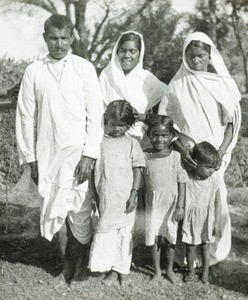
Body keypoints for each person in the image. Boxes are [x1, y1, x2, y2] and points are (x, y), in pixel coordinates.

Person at [16, 14, 104, 285]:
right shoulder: (34, 71)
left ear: (71, 39)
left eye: (64, 38)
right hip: (47, 153)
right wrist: (30, 158)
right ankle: (66, 263)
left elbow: (96, 114)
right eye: (53, 38)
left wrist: (89, 154)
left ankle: (77, 266)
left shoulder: (84, 68)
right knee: (56, 208)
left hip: (78, 154)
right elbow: (25, 115)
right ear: (45, 38)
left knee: (78, 209)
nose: (59, 44)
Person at [159, 31, 241, 265]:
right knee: (186, 204)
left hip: (213, 158)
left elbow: (231, 122)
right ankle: (185, 260)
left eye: (200, 55)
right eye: (191, 55)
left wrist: (221, 152)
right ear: (185, 55)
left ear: (209, 56)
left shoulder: (221, 84)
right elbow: (167, 124)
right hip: (188, 158)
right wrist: (182, 151)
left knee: (216, 202)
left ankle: (213, 258)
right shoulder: (176, 85)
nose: (195, 60)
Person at [89, 100, 145, 287]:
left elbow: (138, 169)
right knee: (108, 231)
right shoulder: (99, 142)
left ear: (129, 125)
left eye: (122, 125)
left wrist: (134, 193)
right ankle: (112, 269)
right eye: (113, 124)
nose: (117, 128)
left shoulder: (132, 144)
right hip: (106, 195)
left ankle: (123, 271)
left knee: (124, 233)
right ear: (106, 121)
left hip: (125, 198)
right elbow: (93, 171)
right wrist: (93, 195)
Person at [99, 31, 169, 149]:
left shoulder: (146, 79)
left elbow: (168, 101)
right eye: (123, 50)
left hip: (138, 143)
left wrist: (142, 117)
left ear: (140, 53)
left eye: (132, 51)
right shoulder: (106, 76)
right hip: (106, 141)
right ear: (117, 52)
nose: (126, 55)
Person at [143, 115, 188, 283]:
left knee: (170, 237)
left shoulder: (175, 156)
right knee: (153, 237)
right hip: (152, 204)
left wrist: (180, 206)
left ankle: (169, 270)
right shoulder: (145, 156)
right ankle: (157, 271)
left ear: (171, 137)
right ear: (149, 135)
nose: (159, 139)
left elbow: (182, 182)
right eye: (155, 135)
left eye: (164, 135)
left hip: (171, 204)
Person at [182, 142, 221, 284]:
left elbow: (218, 203)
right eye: (208, 167)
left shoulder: (213, 182)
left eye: (214, 167)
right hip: (190, 219)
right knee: (190, 247)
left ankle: (205, 272)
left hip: (207, 219)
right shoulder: (187, 178)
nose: (212, 171)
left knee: (206, 246)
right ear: (196, 163)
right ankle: (190, 271)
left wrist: (216, 222)